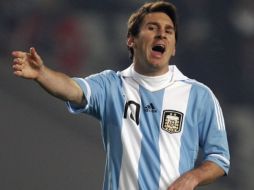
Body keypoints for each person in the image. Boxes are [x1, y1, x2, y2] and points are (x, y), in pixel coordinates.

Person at [11, 1, 230, 190]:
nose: (161, 33)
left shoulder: (199, 96)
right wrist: (42, 73)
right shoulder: (112, 86)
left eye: (169, 31)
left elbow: (220, 159)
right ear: (131, 40)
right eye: (152, 28)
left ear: (173, 47)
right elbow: (71, 89)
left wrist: (193, 177)